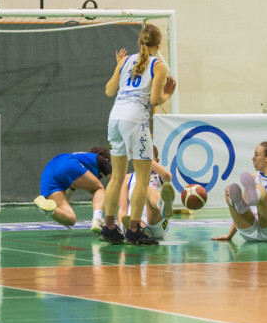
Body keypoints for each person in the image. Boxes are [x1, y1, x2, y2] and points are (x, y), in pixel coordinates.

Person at [100, 24, 176, 245]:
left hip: (115, 118)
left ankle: (110, 227)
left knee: (116, 177)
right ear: (158, 44)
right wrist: (167, 95)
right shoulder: (158, 65)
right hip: (135, 119)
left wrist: (119, 68)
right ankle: (134, 229)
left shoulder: (124, 61)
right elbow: (154, 100)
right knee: (142, 179)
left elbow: (108, 91)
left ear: (139, 41)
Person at [33, 147, 113, 232]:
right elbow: (116, 182)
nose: (99, 177)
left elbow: (66, 196)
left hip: (48, 173)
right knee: (99, 188)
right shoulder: (100, 159)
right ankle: (97, 219)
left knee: (70, 219)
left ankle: (49, 208)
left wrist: (60, 217)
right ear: (106, 159)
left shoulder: (81, 162)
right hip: (67, 163)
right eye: (100, 175)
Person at [117, 146, 176, 241]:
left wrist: (145, 158)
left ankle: (163, 206)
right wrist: (121, 228)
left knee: (147, 190)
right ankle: (140, 230)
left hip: (155, 221)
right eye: (140, 157)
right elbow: (122, 208)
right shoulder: (127, 179)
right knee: (131, 219)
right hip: (135, 224)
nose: (143, 160)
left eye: (148, 158)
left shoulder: (158, 176)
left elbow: (167, 176)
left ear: (156, 161)